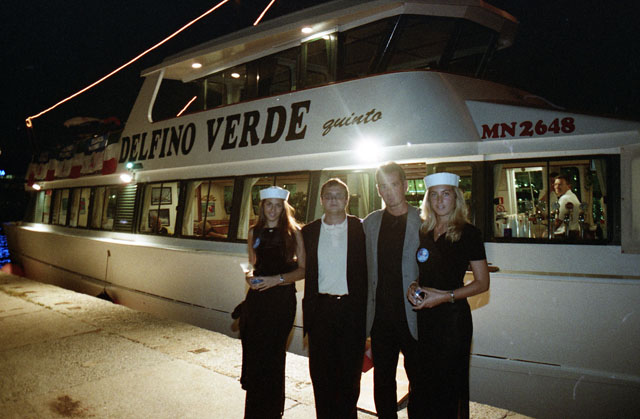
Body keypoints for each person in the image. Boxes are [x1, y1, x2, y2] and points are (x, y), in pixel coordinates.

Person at [407, 172, 490, 419]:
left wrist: (444, 297)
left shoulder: (469, 233)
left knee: (448, 389)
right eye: (434, 195)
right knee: (423, 385)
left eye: (446, 194)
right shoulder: (425, 230)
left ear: (456, 198)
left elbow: (482, 283)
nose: (440, 200)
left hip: (453, 321)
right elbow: (425, 273)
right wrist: (414, 285)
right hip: (425, 319)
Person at [302, 178, 368, 419]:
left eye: (338, 195)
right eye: (328, 195)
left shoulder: (361, 229)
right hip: (320, 311)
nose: (333, 200)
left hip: (352, 311)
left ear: (347, 199)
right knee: (321, 376)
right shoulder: (308, 232)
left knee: (350, 377)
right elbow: (297, 265)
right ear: (321, 200)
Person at [240, 186, 306, 419]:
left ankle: (272, 412)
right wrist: (249, 277)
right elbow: (252, 264)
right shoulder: (253, 232)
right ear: (262, 206)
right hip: (257, 302)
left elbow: (303, 270)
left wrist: (276, 280)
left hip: (281, 302)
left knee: (274, 356)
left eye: (278, 205)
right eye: (269, 204)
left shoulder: (294, 232)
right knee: (255, 355)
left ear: (284, 208)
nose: (273, 209)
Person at [363, 162, 421, 419]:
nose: (388, 191)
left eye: (394, 185)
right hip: (381, 317)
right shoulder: (370, 223)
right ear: (378, 190)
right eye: (383, 187)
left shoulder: (424, 220)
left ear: (405, 186)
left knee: (419, 377)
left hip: (414, 315)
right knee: (383, 379)